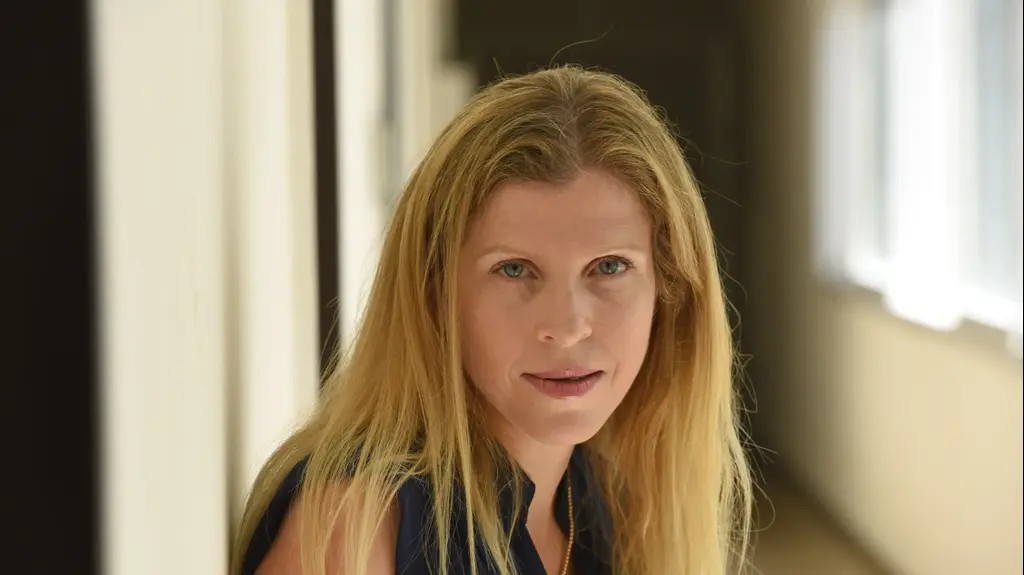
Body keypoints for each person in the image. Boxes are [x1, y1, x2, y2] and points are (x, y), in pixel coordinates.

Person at [232, 65, 752, 575]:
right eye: (514, 269)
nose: (567, 326)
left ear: (669, 289)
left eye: (610, 266)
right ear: (435, 291)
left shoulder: (611, 509)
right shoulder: (358, 531)